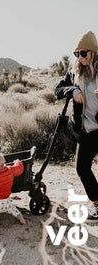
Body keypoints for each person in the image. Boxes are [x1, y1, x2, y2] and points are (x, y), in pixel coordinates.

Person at [55, 31, 98, 220]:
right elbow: (57, 89)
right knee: (82, 168)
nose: (80, 58)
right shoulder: (73, 73)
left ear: (94, 52)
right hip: (85, 130)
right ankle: (97, 202)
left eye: (83, 53)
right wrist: (72, 90)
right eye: (76, 54)